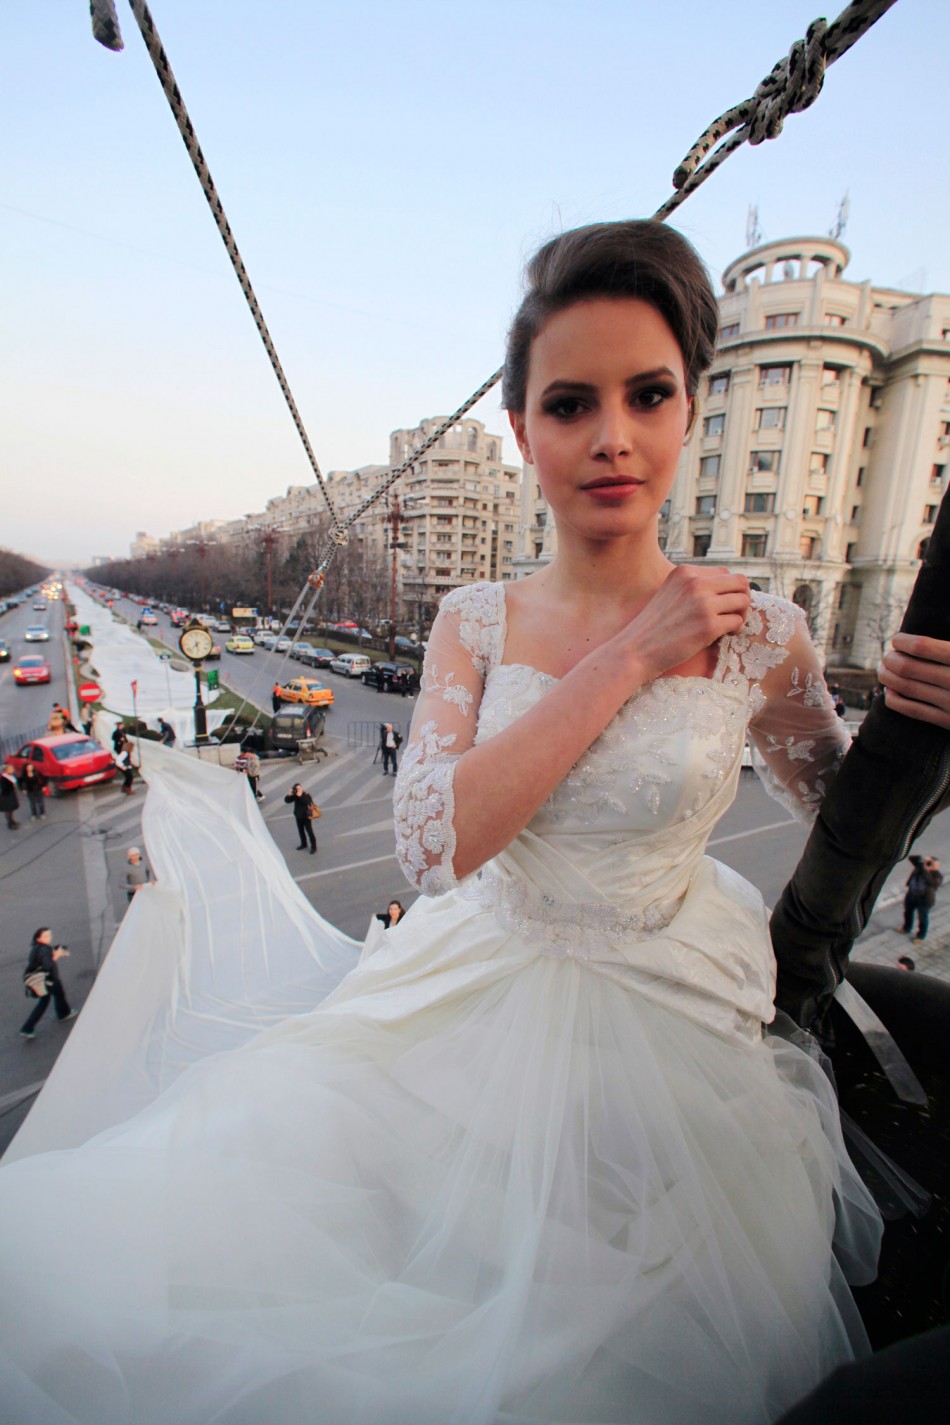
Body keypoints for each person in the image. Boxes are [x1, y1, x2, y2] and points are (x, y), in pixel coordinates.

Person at [2, 221, 950, 1423]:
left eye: (647, 395)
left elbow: (842, 806)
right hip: (470, 1012)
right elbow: (437, 848)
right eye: (569, 404)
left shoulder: (765, 633)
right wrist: (631, 653)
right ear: (522, 432)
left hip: (681, 1041)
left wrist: (927, 738)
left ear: (687, 410)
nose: (611, 436)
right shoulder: (476, 619)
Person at [19, 928, 76, 1038]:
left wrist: (54, 952)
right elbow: (48, 965)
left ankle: (63, 1013)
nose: (49, 937)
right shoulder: (44, 950)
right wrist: (58, 954)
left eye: (49, 935)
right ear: (38, 938)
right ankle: (28, 1027)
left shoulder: (37, 948)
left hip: (43, 980)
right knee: (49, 999)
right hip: (48, 979)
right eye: (45, 936)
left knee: (54, 997)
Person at [901, 853, 943, 943]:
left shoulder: (938, 876)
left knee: (922, 918)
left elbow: (931, 882)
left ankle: (921, 936)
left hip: (924, 900)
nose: (929, 864)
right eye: (929, 862)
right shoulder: (921, 867)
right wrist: (923, 859)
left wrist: (925, 869)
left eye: (932, 864)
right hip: (912, 894)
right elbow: (911, 858)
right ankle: (906, 928)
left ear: (937, 866)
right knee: (907, 912)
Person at [284, 782, 317, 853]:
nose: (298, 789)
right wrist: (289, 794)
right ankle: (303, 844)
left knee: (309, 831)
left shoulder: (306, 795)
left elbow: (307, 802)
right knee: (301, 831)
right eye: (297, 788)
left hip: (306, 817)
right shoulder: (295, 796)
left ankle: (313, 847)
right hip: (298, 816)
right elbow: (287, 800)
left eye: (299, 788)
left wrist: (300, 796)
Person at [0, 763, 20, 830]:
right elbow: (5, 788)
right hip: (6, 796)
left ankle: (12, 821)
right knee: (8, 810)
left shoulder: (9, 776)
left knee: (10, 810)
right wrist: (12, 787)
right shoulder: (4, 778)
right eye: (11, 769)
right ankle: (10, 823)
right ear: (7, 770)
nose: (13, 770)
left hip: (10, 795)